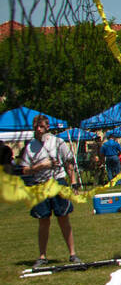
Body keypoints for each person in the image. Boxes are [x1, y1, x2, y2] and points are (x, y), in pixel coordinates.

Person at [18, 115, 80, 268]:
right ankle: (42, 256)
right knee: (43, 221)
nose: (38, 130)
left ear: (47, 127)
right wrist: (39, 167)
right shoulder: (30, 147)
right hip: (40, 185)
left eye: (41, 126)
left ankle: (72, 254)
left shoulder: (58, 142)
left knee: (63, 218)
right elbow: (24, 170)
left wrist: (73, 183)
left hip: (58, 182)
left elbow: (69, 162)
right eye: (36, 127)